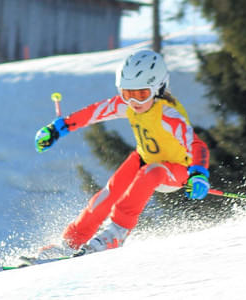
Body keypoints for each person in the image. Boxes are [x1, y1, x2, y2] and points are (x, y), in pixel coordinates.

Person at [35, 49, 210, 258]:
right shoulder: (128, 105)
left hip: (177, 170)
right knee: (109, 193)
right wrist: (57, 128)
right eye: (127, 94)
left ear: (159, 89)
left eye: (142, 94)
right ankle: (71, 243)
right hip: (145, 159)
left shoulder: (168, 114)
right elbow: (94, 112)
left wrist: (199, 173)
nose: (134, 101)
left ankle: (116, 233)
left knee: (152, 171)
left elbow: (197, 145)